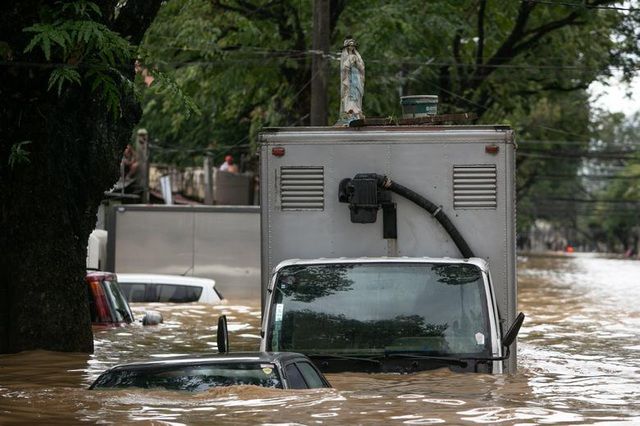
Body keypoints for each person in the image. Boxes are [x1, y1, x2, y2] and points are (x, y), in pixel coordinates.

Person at [339, 37, 365, 122]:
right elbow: (344, 69)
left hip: (356, 77)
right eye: (350, 45)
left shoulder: (357, 56)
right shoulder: (345, 56)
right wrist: (349, 62)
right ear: (347, 47)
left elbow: (362, 68)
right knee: (350, 95)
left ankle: (357, 113)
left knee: (356, 95)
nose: (352, 47)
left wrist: (356, 62)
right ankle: (350, 113)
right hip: (349, 78)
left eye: (353, 45)